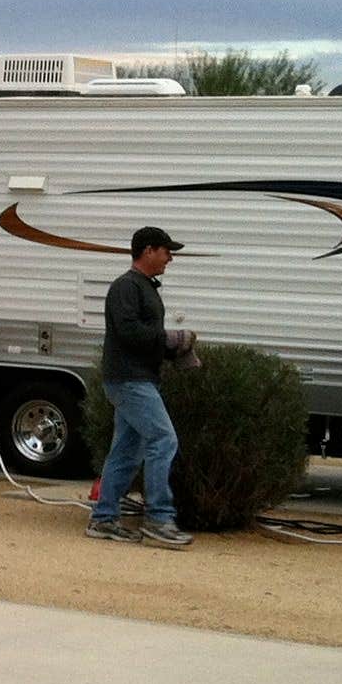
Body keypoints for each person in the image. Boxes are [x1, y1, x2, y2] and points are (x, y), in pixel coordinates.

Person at [89, 225, 193, 548]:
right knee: (163, 439)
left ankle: (104, 519)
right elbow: (128, 332)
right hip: (129, 380)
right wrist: (168, 338)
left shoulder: (144, 287)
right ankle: (159, 519)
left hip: (134, 378)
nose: (170, 258)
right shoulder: (126, 287)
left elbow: (139, 338)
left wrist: (174, 350)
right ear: (148, 250)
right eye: (166, 251)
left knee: (126, 450)